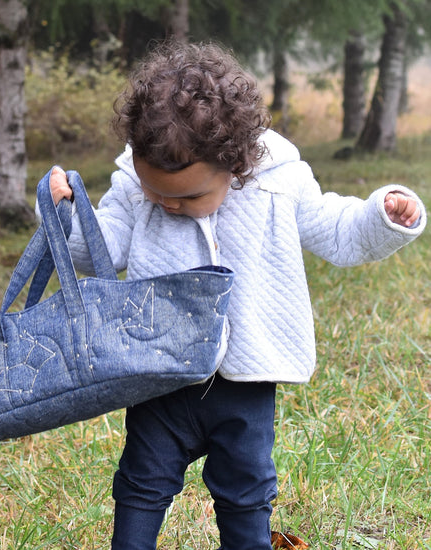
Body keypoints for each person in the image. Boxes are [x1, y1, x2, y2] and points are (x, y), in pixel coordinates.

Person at [45, 41, 426, 550]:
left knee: (246, 490)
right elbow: (100, 247)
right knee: (141, 480)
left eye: (186, 196)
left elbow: (337, 230)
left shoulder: (279, 181)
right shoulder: (137, 187)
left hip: (246, 375)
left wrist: (383, 214)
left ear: (236, 163)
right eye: (155, 192)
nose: (167, 205)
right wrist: (66, 215)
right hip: (160, 371)